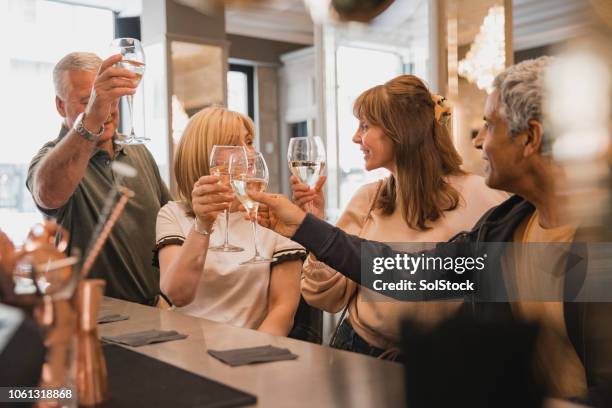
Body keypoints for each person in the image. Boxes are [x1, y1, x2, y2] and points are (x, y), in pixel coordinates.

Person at [251, 57, 610, 400]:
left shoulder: (600, 242)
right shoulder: (505, 229)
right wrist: (304, 225)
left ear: (530, 138)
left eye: (490, 124)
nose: (477, 140)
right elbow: (410, 274)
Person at [290, 75, 505, 357]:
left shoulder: (485, 198)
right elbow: (325, 298)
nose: (356, 137)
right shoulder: (368, 198)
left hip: (445, 364)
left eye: (365, 126)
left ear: (400, 131)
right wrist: (317, 226)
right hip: (361, 351)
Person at [26, 52, 172, 305]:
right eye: (89, 101)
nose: (107, 109)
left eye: (110, 99)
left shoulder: (137, 151)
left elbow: (170, 220)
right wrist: (91, 119)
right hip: (93, 320)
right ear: (61, 105)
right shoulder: (51, 158)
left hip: (154, 313)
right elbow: (47, 193)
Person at [155, 107, 305, 336]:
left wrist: (251, 356)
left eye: (249, 142)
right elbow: (177, 294)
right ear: (205, 155)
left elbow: (282, 311)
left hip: (250, 353)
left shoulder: (275, 216)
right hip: (183, 349)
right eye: (234, 146)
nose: (249, 154)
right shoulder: (173, 214)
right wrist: (202, 225)